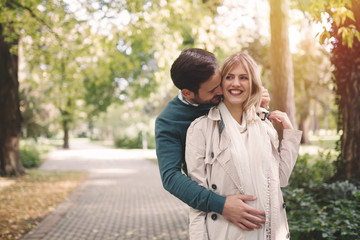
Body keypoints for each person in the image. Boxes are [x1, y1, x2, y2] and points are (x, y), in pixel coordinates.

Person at [185, 52, 302, 239]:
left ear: (253, 84)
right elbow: (197, 202)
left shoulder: (264, 125)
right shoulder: (201, 129)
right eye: (229, 77)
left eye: (243, 77)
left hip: (269, 232)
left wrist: (289, 134)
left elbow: (281, 178)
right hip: (226, 233)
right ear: (220, 84)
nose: (236, 84)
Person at [155, 48, 270, 231]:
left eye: (220, 81)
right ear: (187, 93)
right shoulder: (169, 121)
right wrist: (221, 205)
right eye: (212, 89)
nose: (221, 90)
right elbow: (171, 177)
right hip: (216, 212)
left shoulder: (222, 95)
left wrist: (257, 104)